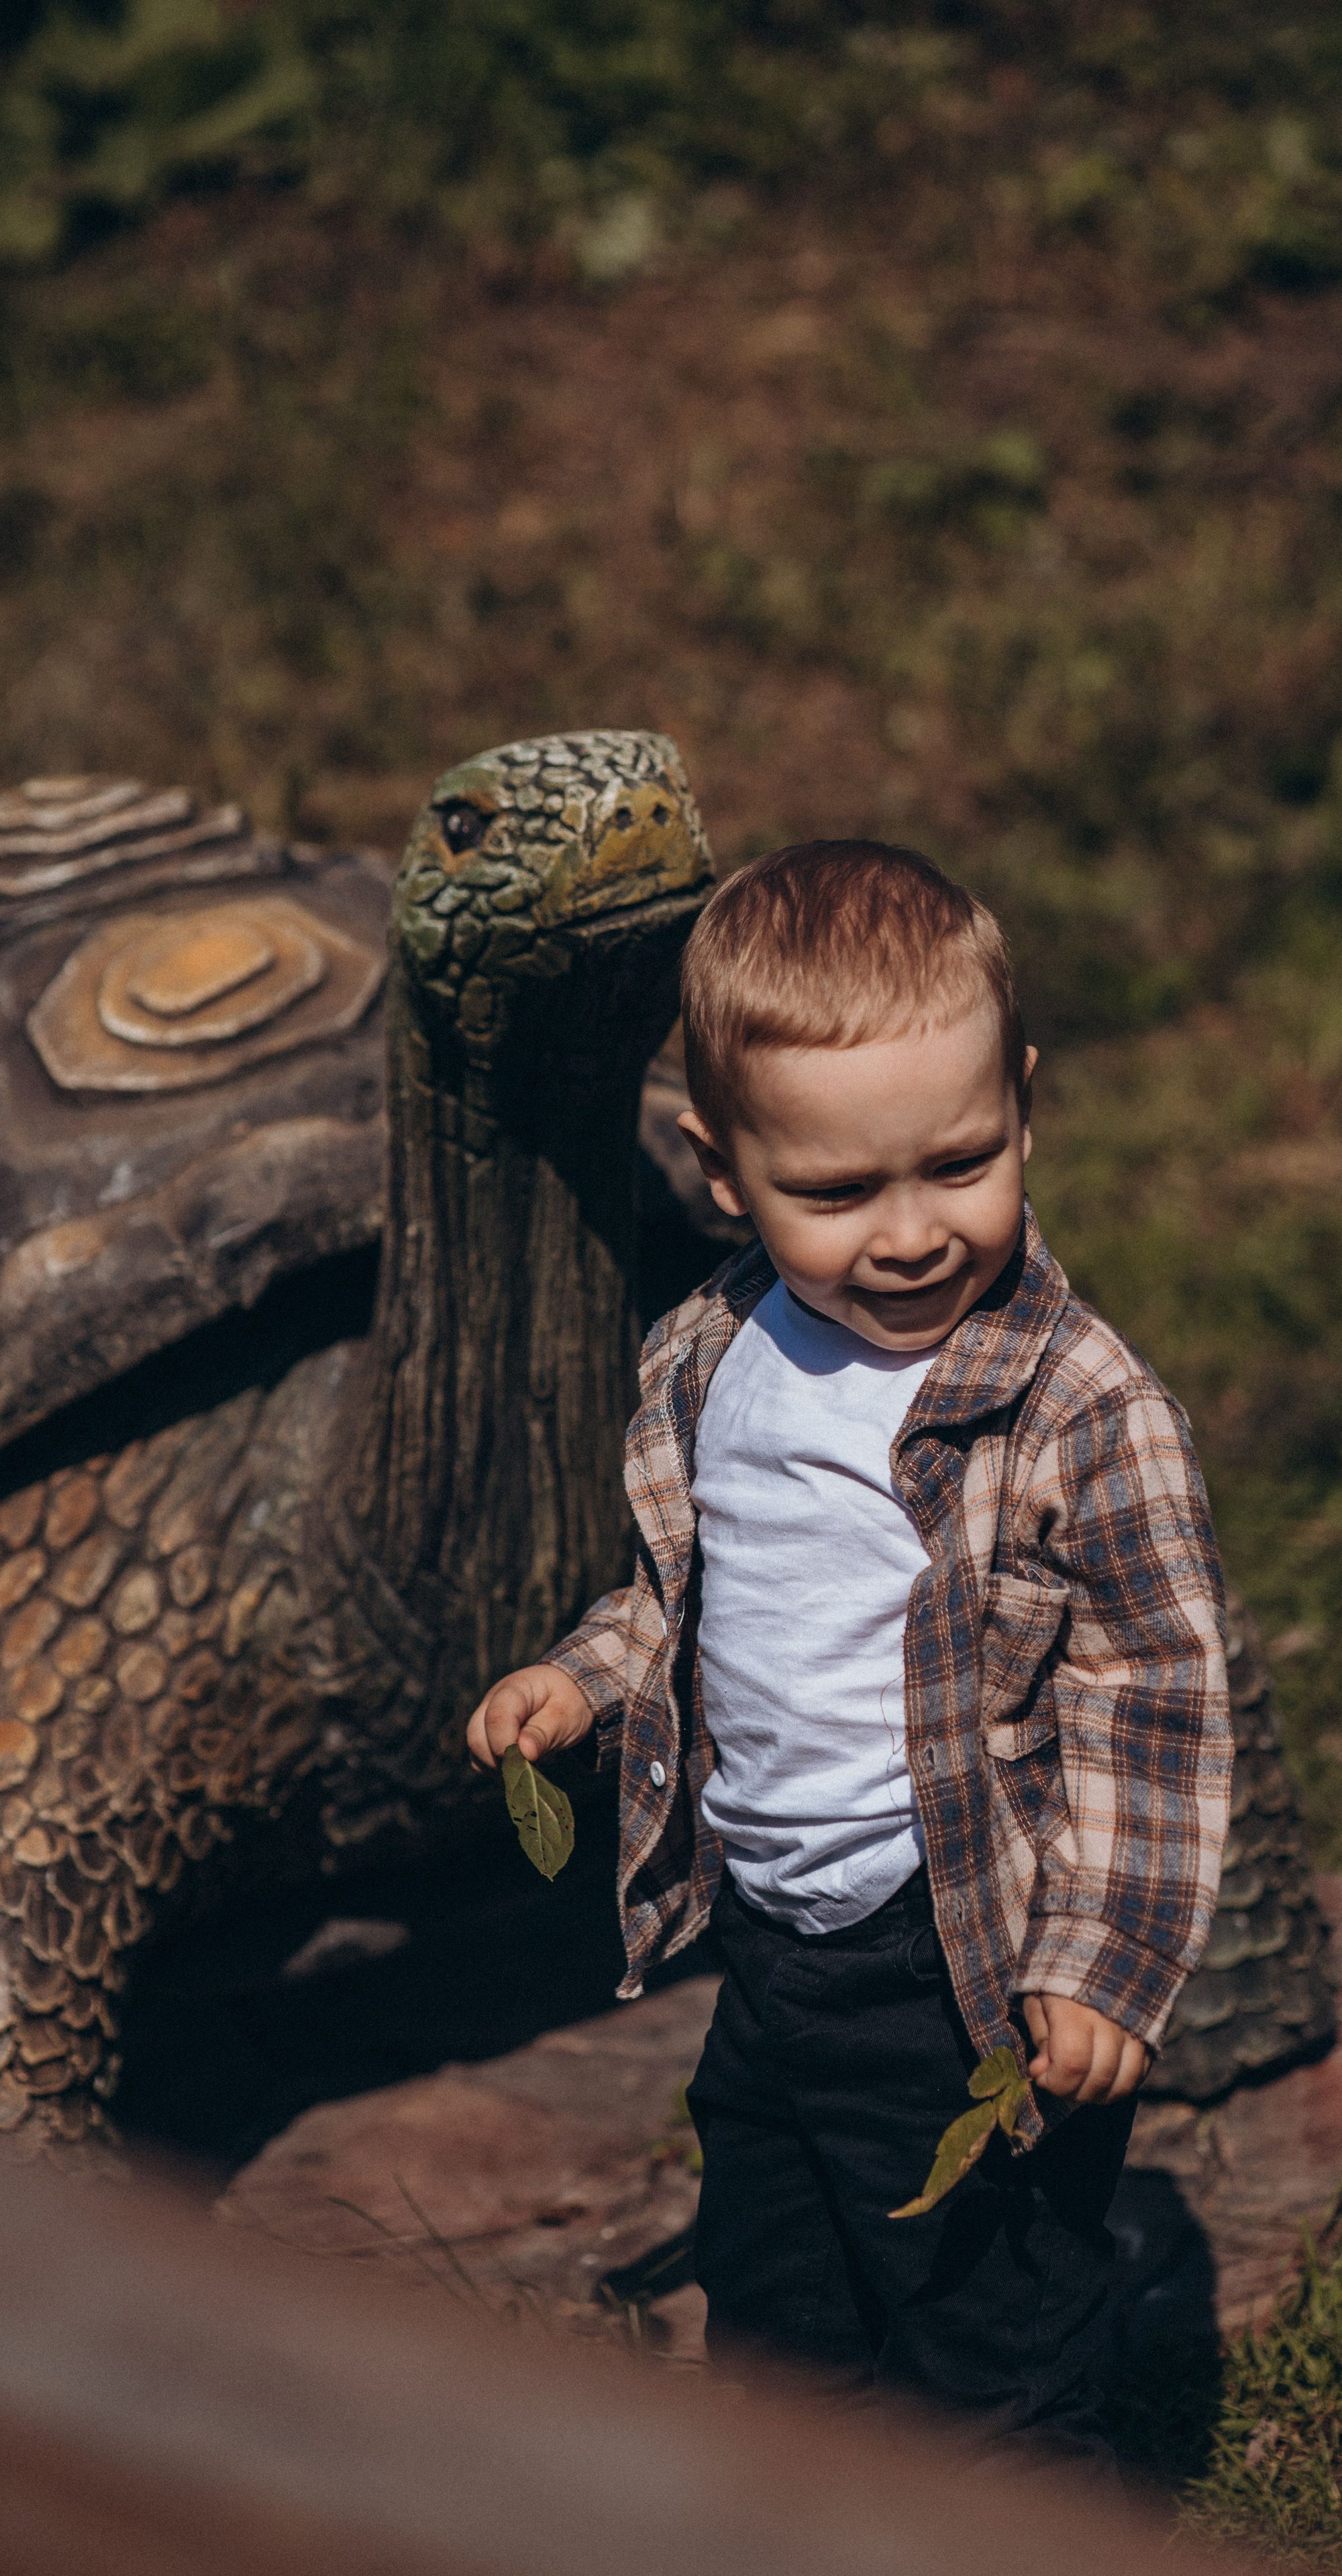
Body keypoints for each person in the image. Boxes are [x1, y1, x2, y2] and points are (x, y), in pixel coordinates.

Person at [466, 840, 1231, 2463]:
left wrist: (1096, 1968)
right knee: (781, 2325)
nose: (906, 1236)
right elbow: (695, 1592)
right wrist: (586, 1677)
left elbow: (1152, 1700)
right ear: (721, 1168)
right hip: (775, 1940)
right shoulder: (712, 1351)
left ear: (1020, 1105)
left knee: (985, 2359)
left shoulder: (1082, 1410)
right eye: (833, 1192)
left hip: (963, 1956)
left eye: (959, 1164)